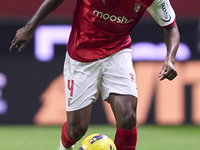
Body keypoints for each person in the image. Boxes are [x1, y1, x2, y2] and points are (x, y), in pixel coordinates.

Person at [9, 0, 180, 149]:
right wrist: (29, 28)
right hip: (81, 55)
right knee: (76, 130)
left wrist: (170, 59)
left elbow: (171, 28)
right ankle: (64, 146)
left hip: (117, 52)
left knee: (128, 116)